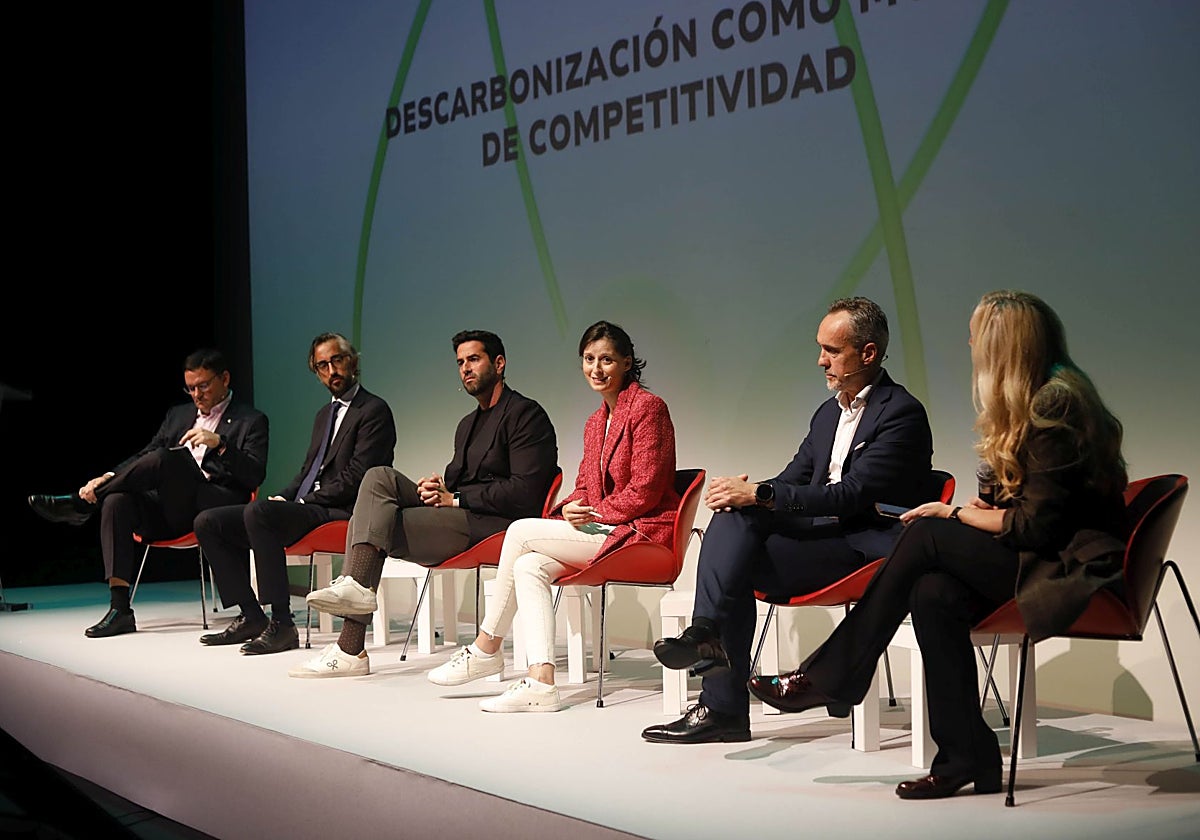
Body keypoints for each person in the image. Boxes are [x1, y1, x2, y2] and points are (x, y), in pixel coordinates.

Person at [749, 290, 1128, 800]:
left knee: (927, 531)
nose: (969, 343)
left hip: (1068, 569)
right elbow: (1023, 504)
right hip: (1041, 553)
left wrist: (957, 513)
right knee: (932, 592)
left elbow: (1039, 530)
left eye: (977, 335)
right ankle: (965, 757)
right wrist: (984, 506)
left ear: (1003, 344)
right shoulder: (1028, 402)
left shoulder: (1055, 404)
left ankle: (833, 674)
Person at [644, 297, 934, 743]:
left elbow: (850, 496)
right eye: (821, 349)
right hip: (817, 541)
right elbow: (790, 480)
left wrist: (761, 494)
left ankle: (717, 688)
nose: (821, 360)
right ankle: (708, 647)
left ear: (869, 353)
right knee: (734, 520)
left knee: (738, 545)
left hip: (859, 548)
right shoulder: (826, 415)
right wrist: (747, 495)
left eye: (832, 351)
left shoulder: (901, 413)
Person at [424, 320, 679, 711]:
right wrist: (573, 508)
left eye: (607, 359)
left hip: (641, 533)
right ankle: (541, 682)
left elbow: (645, 490)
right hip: (605, 528)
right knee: (529, 566)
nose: (596, 369)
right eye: (589, 359)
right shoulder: (596, 422)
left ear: (627, 363)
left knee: (522, 530)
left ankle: (487, 644)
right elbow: (583, 486)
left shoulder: (648, 408)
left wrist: (593, 511)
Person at [292, 329, 558, 677]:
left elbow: (526, 495)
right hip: (461, 512)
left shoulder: (526, 415)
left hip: (493, 526)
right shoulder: (468, 424)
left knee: (376, 526)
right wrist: (439, 487)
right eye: (460, 362)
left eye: (473, 359)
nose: (465, 369)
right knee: (378, 478)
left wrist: (456, 497)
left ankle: (350, 647)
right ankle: (355, 594)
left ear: (499, 363)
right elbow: (460, 481)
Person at [27, 348, 269, 638]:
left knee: (166, 459)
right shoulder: (179, 414)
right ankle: (120, 610)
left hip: (213, 505)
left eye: (203, 386)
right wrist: (107, 476)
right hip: (170, 508)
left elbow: (254, 475)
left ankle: (81, 506)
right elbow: (145, 456)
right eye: (190, 388)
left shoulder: (251, 420)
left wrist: (221, 444)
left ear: (225, 378)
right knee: (118, 501)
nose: (196, 395)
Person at [193, 333, 396, 655]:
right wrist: (284, 496)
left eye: (337, 360)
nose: (332, 370)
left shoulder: (373, 410)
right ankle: (251, 614)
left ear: (353, 361)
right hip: (311, 506)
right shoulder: (323, 415)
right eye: (322, 365)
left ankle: (283, 624)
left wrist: (301, 501)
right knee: (208, 521)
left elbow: (361, 476)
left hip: (342, 510)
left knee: (258, 513)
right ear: (316, 372)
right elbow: (308, 471)